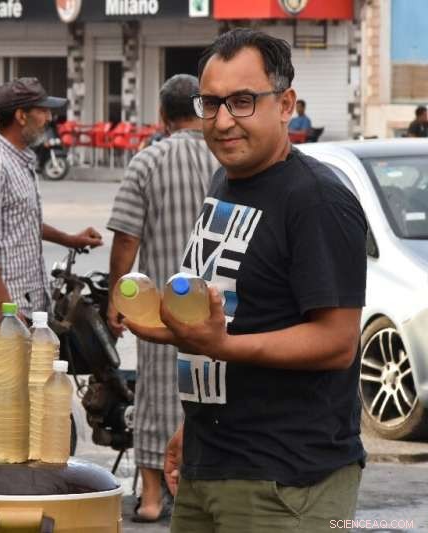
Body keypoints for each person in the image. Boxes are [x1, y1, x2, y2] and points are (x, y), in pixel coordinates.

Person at [125, 29, 367, 532]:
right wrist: (192, 422)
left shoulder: (316, 199)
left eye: (242, 101)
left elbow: (337, 341)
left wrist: (220, 346)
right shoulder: (225, 183)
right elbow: (236, 313)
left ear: (285, 104)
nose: (224, 120)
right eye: (211, 103)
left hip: (286, 481)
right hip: (209, 460)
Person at [0, 77, 103, 455]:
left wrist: (70, 239)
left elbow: (21, 222)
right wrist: (7, 311)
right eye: (42, 111)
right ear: (21, 116)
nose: (48, 118)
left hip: (24, 307)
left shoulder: (20, 161)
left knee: (23, 398)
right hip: (0, 310)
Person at [106, 73, 219, 524]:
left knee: (155, 393)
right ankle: (199, 491)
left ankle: (152, 499)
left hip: (162, 308)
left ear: (162, 115)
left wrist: (117, 298)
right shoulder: (224, 154)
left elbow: (125, 238)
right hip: (220, 306)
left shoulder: (148, 160)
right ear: (201, 109)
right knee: (211, 392)